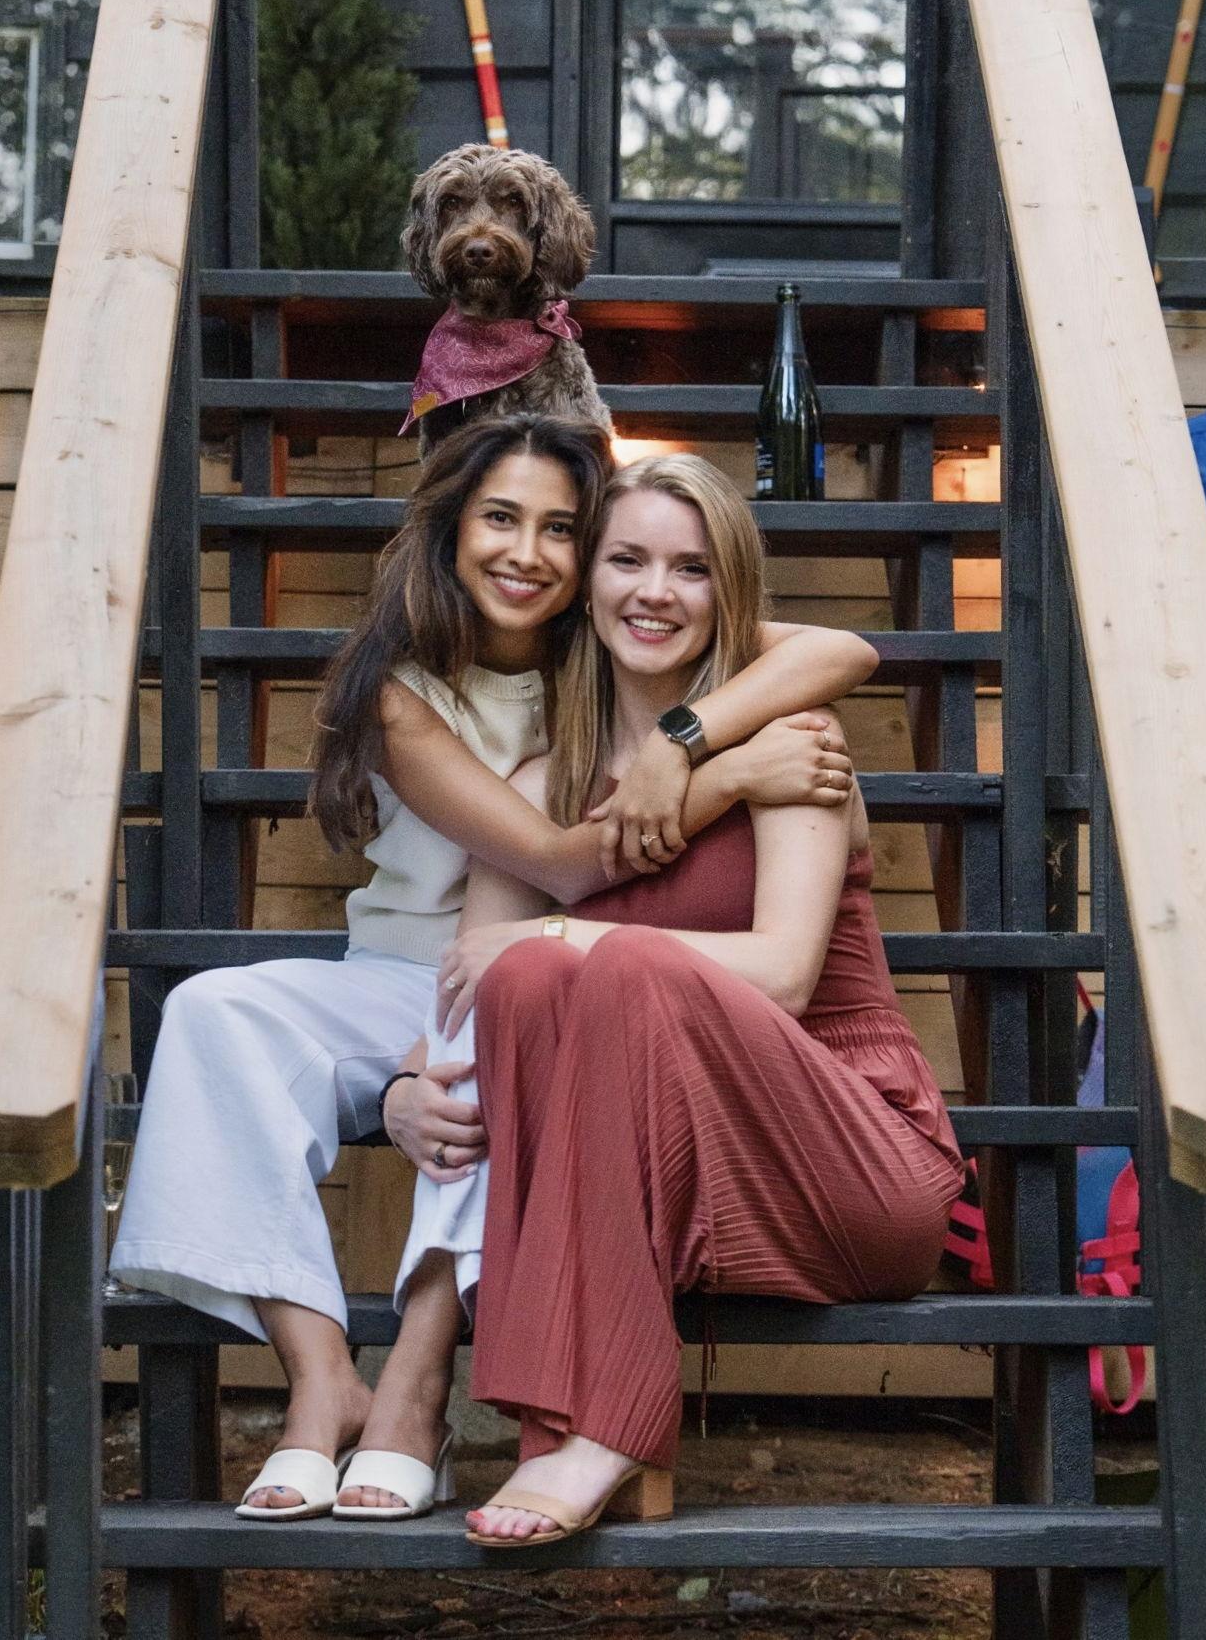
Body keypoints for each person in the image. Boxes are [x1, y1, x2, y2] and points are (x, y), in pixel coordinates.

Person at [108, 415, 877, 1522]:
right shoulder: (402, 691)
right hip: (425, 963)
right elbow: (557, 865)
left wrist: (680, 739)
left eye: (560, 529)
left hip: (526, 969)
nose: (527, 553)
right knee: (210, 1011)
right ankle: (321, 1378)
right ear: (449, 529)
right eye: (500, 520)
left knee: (507, 990)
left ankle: (415, 1387)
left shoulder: (614, 640)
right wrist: (722, 774)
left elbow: (838, 650)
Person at [400, 452, 966, 1547]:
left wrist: (571, 928)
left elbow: (784, 973)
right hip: (659, 1181)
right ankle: (557, 1425)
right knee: (532, 979)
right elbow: (474, 1003)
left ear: (728, 594)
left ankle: (611, 1422)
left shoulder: (792, 747)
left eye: (691, 569)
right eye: (626, 561)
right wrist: (403, 1092)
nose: (654, 592)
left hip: (847, 1159)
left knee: (604, 965)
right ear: (585, 582)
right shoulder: (541, 792)